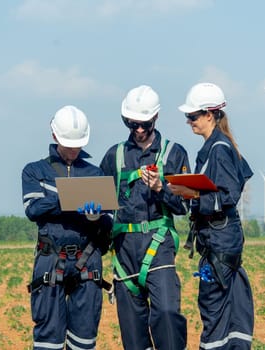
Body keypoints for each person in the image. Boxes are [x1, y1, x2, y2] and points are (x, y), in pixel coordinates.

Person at [100, 85, 189, 349]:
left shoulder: (174, 153)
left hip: (158, 246)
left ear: (156, 118)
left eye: (145, 124)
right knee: (133, 337)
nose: (139, 130)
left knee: (167, 316)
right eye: (132, 124)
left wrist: (161, 189)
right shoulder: (113, 156)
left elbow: (184, 206)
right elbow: (102, 205)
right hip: (124, 251)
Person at [169, 82, 255, 349]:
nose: (189, 121)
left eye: (193, 116)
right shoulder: (215, 146)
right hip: (218, 240)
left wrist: (191, 193)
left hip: (220, 242)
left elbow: (228, 195)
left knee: (213, 308)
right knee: (223, 311)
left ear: (210, 114)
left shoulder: (219, 148)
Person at [22, 105, 113, 350]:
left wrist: (96, 218)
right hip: (50, 258)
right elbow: (33, 209)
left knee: (84, 342)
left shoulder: (96, 174)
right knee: (47, 341)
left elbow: (109, 220)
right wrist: (65, 198)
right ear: (54, 136)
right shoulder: (35, 171)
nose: (74, 150)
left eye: (78, 144)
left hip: (88, 259)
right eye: (68, 144)